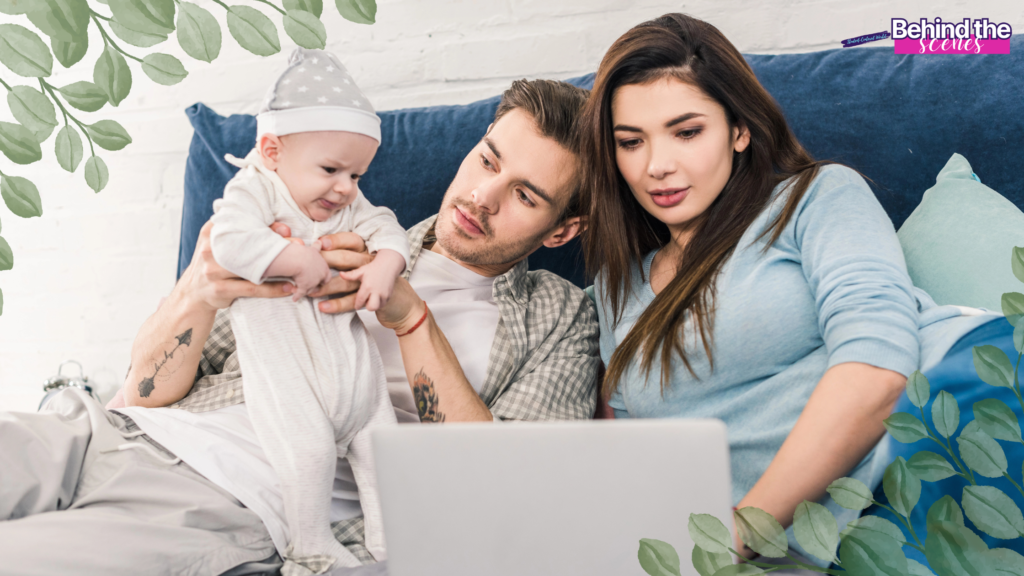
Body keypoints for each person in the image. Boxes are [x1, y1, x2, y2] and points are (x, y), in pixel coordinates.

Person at [0, 78, 600, 576]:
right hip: (106, 433)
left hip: (224, 498)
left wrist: (411, 318)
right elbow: (146, 392)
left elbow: (506, 492)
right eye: (487, 161)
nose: (481, 195)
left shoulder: (563, 322)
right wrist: (198, 290)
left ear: (562, 231)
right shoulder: (323, 217)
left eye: (524, 194)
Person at [581, 13, 1006, 573]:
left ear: (739, 130)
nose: (658, 166)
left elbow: (878, 369)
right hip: (825, 536)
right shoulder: (613, 294)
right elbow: (640, 470)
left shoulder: (814, 197)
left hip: (947, 414)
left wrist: (739, 533)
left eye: (687, 132)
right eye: (631, 142)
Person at [207, 47, 410, 573]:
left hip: (357, 377)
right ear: (272, 150)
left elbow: (384, 222)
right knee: (311, 456)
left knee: (383, 450)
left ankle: (391, 539)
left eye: (358, 176)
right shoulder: (257, 191)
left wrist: (388, 262)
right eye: (332, 169)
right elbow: (227, 241)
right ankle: (311, 544)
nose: (346, 188)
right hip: (290, 376)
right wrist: (289, 256)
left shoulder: (346, 203)